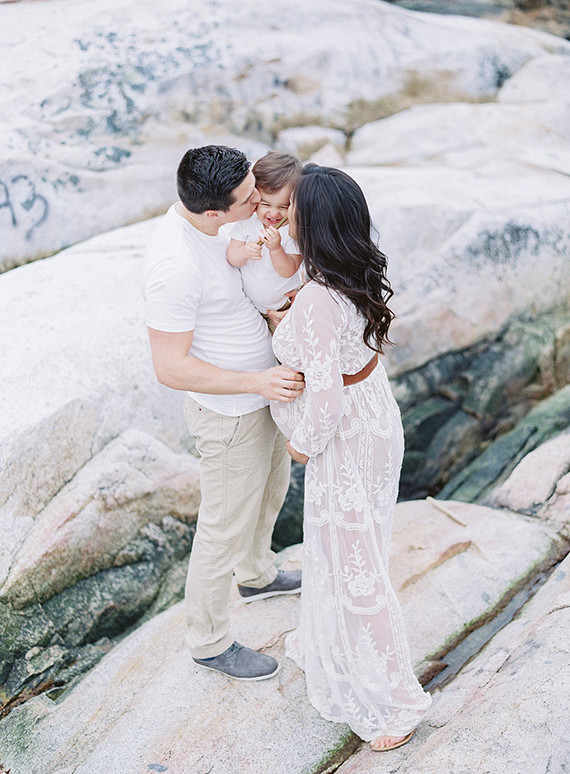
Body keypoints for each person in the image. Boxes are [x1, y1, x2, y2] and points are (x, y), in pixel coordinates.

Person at [270, 164, 432, 750]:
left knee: (356, 562)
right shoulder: (351, 270)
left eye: (292, 213)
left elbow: (326, 394)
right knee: (356, 551)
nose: (283, 218)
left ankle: (395, 701)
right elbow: (344, 356)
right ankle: (332, 646)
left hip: (345, 436)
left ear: (314, 224)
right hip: (375, 416)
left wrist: (301, 445)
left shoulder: (318, 296)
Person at [142, 145, 305, 681]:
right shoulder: (174, 264)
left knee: (273, 488)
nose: (259, 199)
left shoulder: (215, 229)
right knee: (222, 527)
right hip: (229, 412)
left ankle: (257, 575)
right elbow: (170, 367)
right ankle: (209, 641)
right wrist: (255, 379)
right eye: (248, 197)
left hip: (261, 395)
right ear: (215, 211)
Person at [226, 151, 303, 329]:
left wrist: (276, 249)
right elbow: (232, 257)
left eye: (283, 207)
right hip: (250, 308)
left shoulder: (291, 230)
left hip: (283, 306)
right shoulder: (247, 223)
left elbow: (288, 270)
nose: (274, 213)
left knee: (286, 352)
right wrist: (245, 252)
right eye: (266, 204)